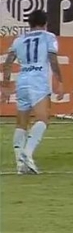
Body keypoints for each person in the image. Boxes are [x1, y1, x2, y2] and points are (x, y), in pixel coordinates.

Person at [0, 10, 63, 174]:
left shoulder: (19, 39)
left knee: (21, 122)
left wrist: (5, 85)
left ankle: (20, 165)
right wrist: (60, 81)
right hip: (38, 81)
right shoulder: (48, 37)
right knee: (43, 119)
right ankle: (27, 153)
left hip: (22, 81)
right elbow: (53, 60)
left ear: (29, 23)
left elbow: (8, 63)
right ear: (45, 23)